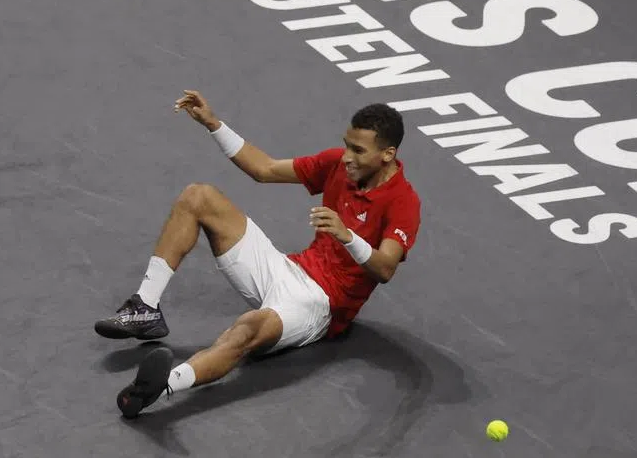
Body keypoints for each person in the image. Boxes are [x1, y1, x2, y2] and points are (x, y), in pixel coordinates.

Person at [95, 90, 422, 418]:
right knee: (199, 197)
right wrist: (213, 124)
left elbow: (385, 268)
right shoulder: (340, 165)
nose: (347, 157)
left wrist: (347, 236)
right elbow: (264, 169)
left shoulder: (403, 202)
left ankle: (160, 385)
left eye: (358, 150)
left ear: (387, 154)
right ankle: (144, 308)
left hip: (319, 305)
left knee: (246, 330)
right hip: (287, 268)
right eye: (347, 145)